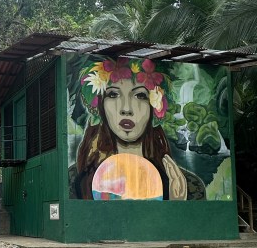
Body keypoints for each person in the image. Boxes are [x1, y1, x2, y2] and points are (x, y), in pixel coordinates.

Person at [70, 57, 205, 201]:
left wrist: (177, 207)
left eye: (140, 95)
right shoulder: (76, 181)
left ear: (155, 105)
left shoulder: (187, 185)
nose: (126, 109)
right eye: (113, 94)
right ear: (100, 106)